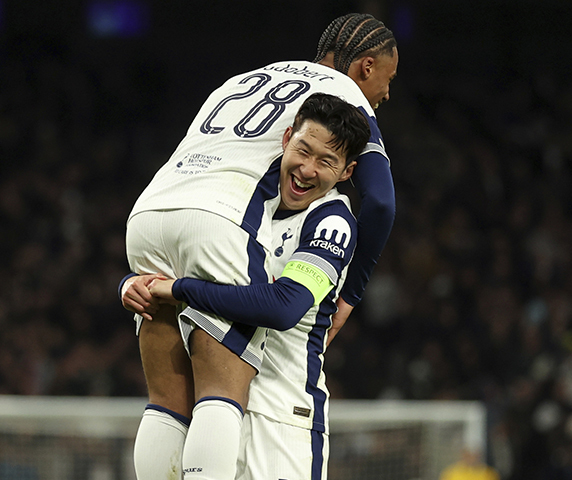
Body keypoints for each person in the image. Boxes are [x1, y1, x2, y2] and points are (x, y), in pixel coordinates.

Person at [122, 13, 398, 480]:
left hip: (149, 211)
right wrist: (351, 295)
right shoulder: (342, 94)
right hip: (219, 217)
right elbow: (382, 203)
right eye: (388, 80)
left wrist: (149, 285)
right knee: (219, 391)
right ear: (366, 68)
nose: (386, 94)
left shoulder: (243, 80)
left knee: (167, 400)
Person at [142, 93, 368, 479]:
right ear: (286, 139)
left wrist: (180, 290)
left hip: (283, 417)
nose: (307, 169)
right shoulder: (241, 207)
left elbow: (283, 307)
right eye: (303, 150)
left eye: (326, 161)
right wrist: (137, 284)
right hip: (218, 411)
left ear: (347, 172)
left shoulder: (331, 222)